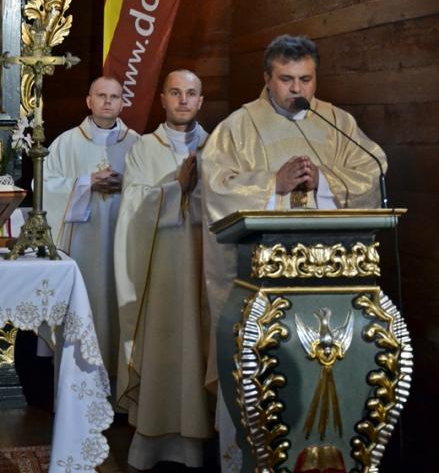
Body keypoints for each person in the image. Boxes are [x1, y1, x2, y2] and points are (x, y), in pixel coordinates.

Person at [201, 34, 388, 469]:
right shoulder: (238, 126)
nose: (298, 89)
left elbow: (373, 170)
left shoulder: (338, 122)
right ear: (267, 78)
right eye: (287, 79)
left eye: (306, 79)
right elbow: (216, 187)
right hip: (259, 284)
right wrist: (273, 184)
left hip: (333, 288)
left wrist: (324, 181)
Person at [114, 69, 213, 470]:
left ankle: (196, 444)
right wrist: (176, 187)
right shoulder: (144, 148)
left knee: (198, 348)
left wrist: (197, 191)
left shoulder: (216, 146)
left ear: (201, 101)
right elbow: (132, 207)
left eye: (191, 93)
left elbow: (228, 202)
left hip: (204, 270)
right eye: (175, 92)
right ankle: (151, 442)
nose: (183, 100)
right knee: (160, 347)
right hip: (158, 271)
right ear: (163, 99)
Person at [43, 76, 139, 376]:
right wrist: (86, 183)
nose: (107, 102)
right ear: (89, 101)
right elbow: (43, 187)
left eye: (114, 96)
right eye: (101, 95)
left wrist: (128, 184)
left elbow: (152, 190)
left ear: (122, 103)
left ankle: (120, 385)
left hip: (123, 244)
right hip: (80, 248)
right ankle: (76, 382)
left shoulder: (137, 144)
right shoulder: (67, 142)